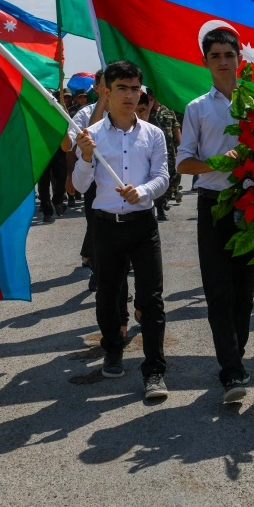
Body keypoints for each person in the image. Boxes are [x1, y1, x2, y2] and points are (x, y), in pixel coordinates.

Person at [72, 60, 170, 401]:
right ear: (106, 92)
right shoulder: (92, 136)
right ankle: (112, 348)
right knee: (109, 294)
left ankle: (155, 369)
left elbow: (162, 178)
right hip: (105, 227)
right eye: (122, 89)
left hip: (143, 225)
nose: (129, 96)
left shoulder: (153, 134)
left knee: (151, 298)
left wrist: (141, 191)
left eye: (134, 89)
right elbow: (78, 185)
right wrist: (85, 157)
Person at [176, 28, 254, 405]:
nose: (223, 61)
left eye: (229, 54)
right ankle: (230, 370)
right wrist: (216, 162)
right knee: (217, 291)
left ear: (239, 57)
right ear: (205, 61)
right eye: (216, 56)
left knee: (244, 292)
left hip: (253, 204)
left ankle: (234, 357)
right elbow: (183, 163)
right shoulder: (197, 108)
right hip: (213, 203)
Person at [65, 72, 109, 288]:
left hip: (120, 179)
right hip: (91, 179)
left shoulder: (126, 111)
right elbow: (69, 146)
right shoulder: (85, 114)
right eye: (104, 85)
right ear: (97, 88)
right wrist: (69, 175)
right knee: (96, 226)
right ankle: (99, 272)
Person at [36, 90, 69, 224]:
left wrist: (64, 112)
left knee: (61, 179)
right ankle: (47, 211)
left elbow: (67, 124)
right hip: (42, 152)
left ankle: (57, 200)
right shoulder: (36, 110)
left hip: (58, 151)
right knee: (43, 184)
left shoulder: (59, 110)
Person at [149, 97, 182, 219]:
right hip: (154, 152)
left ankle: (165, 198)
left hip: (170, 151)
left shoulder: (168, 111)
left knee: (175, 176)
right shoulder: (145, 109)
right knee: (158, 177)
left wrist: (181, 146)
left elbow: (176, 128)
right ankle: (160, 207)